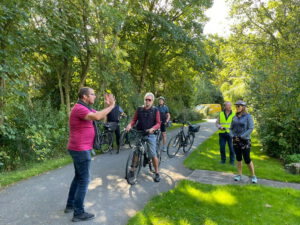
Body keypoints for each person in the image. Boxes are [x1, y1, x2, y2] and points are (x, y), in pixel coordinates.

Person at [65, 87, 115, 222]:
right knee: (84, 180)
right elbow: (98, 116)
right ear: (85, 96)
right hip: (80, 149)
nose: (95, 96)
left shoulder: (84, 107)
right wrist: (113, 106)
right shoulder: (80, 109)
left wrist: (108, 106)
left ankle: (70, 205)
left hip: (79, 148)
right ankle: (78, 212)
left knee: (78, 177)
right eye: (92, 94)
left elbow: (101, 115)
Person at [126, 92, 161, 182]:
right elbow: (134, 119)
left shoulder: (155, 110)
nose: (147, 101)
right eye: (146, 99)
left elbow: (158, 123)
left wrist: (153, 128)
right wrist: (130, 125)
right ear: (144, 100)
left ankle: (157, 173)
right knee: (136, 152)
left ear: (152, 101)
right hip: (140, 133)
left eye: (149, 100)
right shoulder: (139, 109)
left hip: (150, 134)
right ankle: (132, 170)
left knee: (153, 153)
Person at [230, 100, 257, 183]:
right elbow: (231, 128)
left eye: (239, 106)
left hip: (245, 141)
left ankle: (253, 176)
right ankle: (239, 174)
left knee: (247, 159)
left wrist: (241, 136)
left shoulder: (248, 116)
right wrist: (233, 136)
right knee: (238, 158)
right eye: (236, 106)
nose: (237, 107)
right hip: (235, 140)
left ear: (243, 107)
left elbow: (251, 128)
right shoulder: (234, 117)